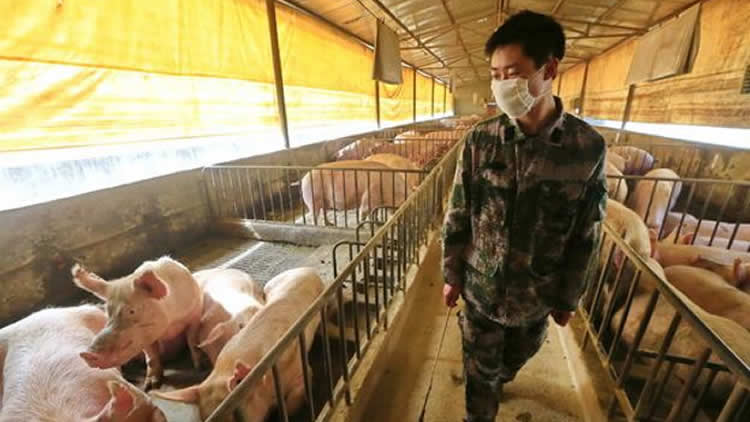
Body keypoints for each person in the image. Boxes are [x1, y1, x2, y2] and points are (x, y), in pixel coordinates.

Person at [441, 10, 608, 422]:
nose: (501, 85)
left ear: (549, 68)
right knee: (480, 377)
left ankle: (504, 373)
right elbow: (458, 210)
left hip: (537, 296)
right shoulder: (481, 140)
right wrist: (451, 273)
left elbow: (587, 232)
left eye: (511, 73)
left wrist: (570, 296)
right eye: (495, 74)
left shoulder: (587, 148)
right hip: (481, 290)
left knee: (516, 358)